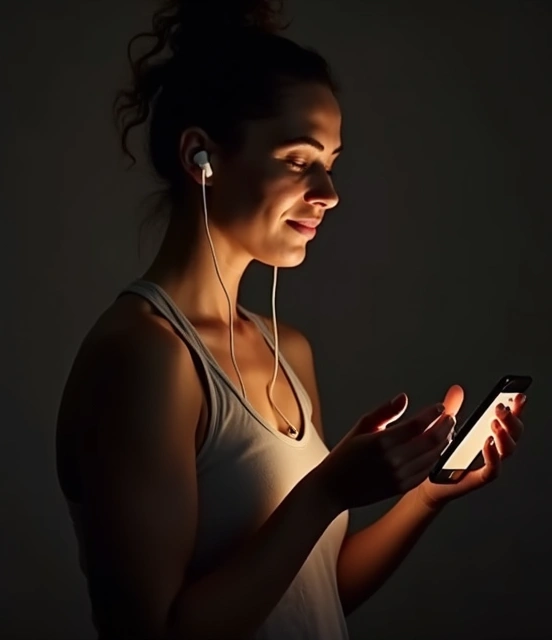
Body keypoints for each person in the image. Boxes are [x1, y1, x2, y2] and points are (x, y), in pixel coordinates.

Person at [53, 2, 524, 638]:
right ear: (202, 157)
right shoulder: (143, 356)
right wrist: (327, 490)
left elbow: (312, 594)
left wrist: (425, 496)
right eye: (301, 160)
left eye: (332, 160)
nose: (329, 191)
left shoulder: (286, 350)